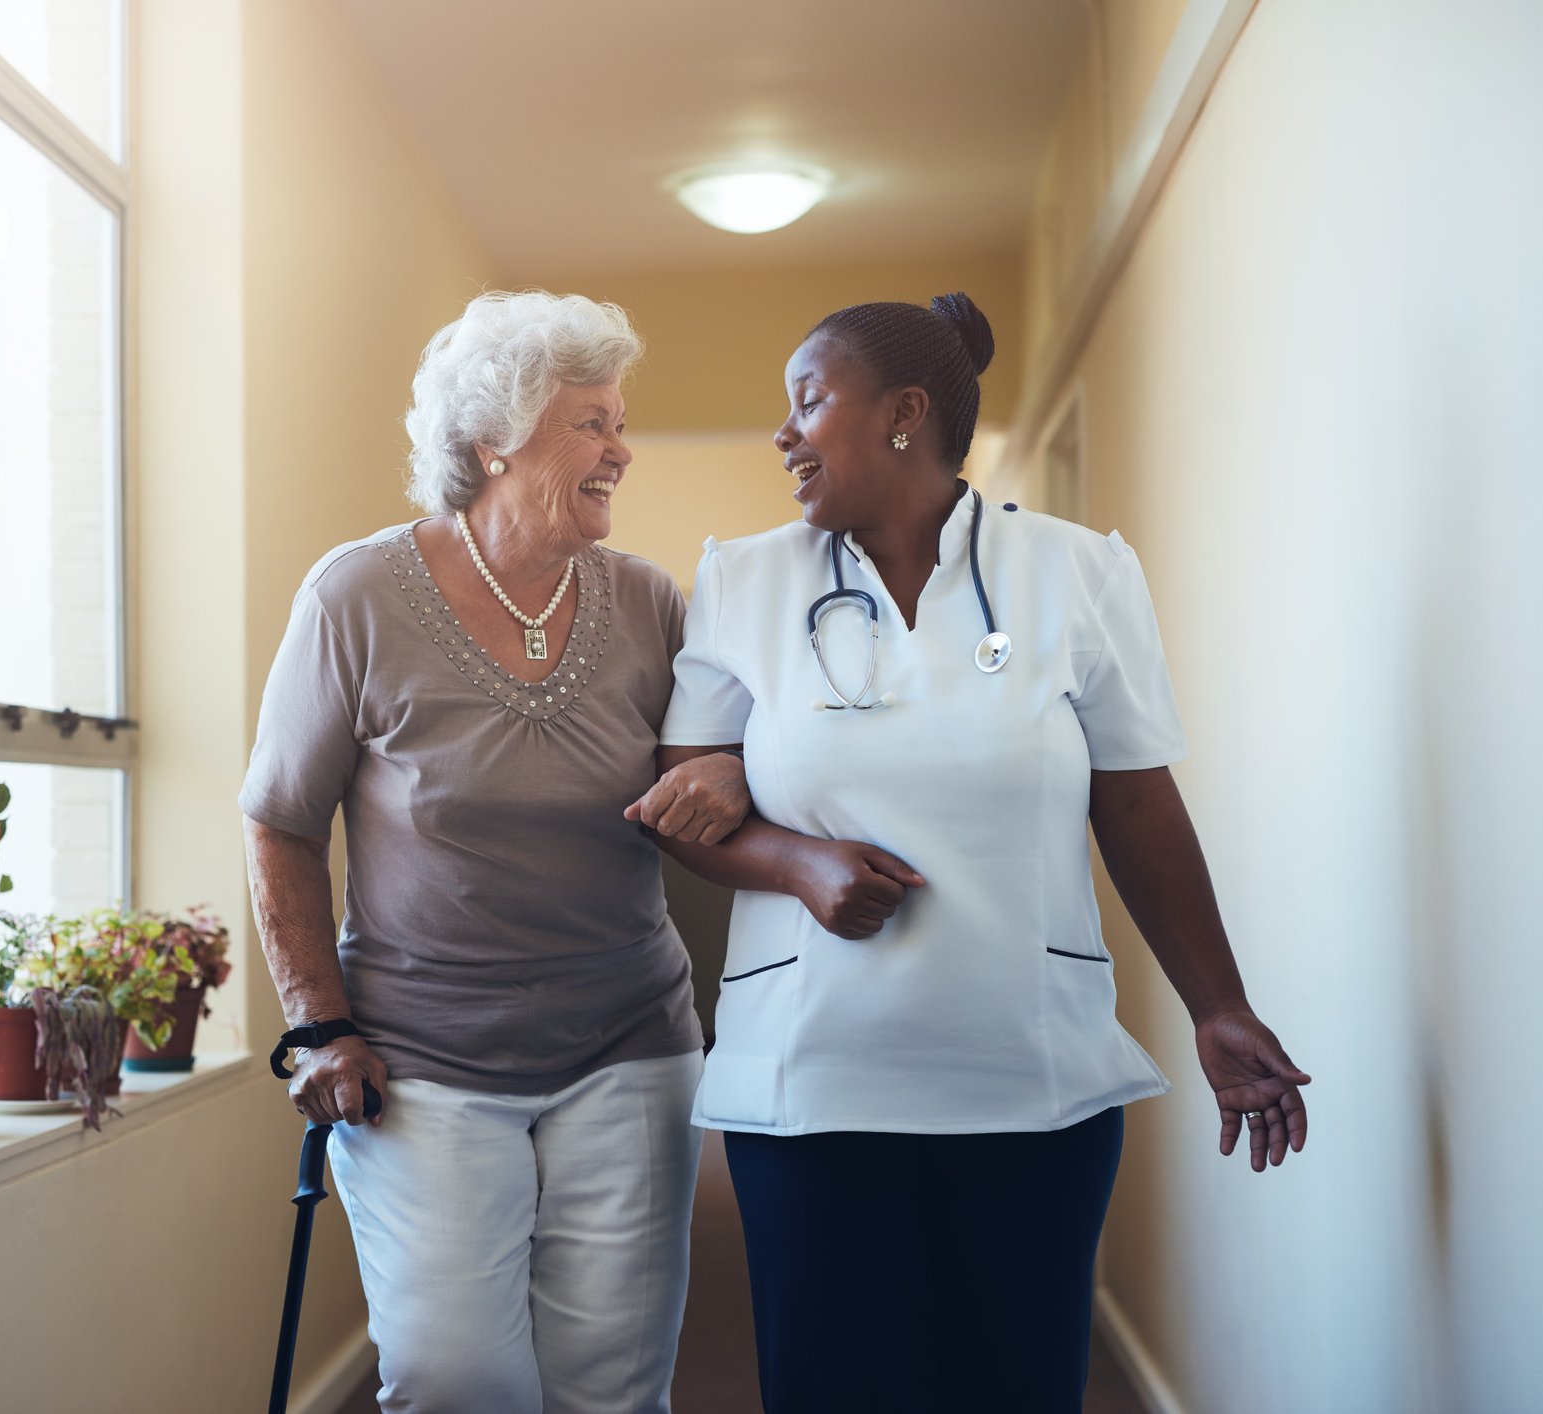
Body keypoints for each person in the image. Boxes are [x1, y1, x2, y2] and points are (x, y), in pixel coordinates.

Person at [633, 292, 1312, 1412]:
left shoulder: (1079, 572)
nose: (782, 433)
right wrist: (799, 864)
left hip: (1029, 1084)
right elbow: (690, 806)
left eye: (808, 402)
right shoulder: (744, 581)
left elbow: (1137, 804)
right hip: (813, 1089)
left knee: (1018, 1387)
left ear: (905, 413)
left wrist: (1218, 1004)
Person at [241, 290, 749, 1414]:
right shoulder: (357, 595)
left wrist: (730, 770)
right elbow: (281, 817)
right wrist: (317, 1022)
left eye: (620, 420)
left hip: (630, 1043)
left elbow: (727, 764)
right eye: (592, 423)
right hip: (424, 1058)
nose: (622, 449)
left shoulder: (653, 603)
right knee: (456, 1379)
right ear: (492, 440)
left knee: (614, 1386)